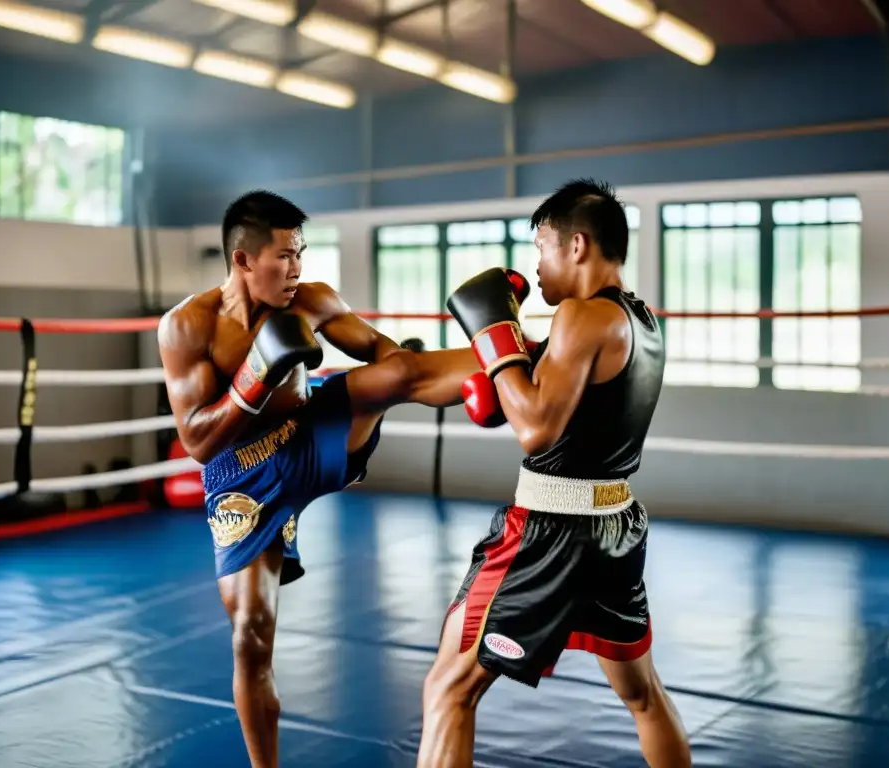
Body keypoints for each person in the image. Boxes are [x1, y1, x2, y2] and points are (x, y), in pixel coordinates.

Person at [157, 190, 482, 768]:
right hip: (242, 476)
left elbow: (380, 350)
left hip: (310, 434)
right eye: (284, 255)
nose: (297, 268)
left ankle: (529, 355)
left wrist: (392, 362)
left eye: (301, 252)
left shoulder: (310, 301)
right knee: (251, 636)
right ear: (242, 260)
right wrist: (254, 378)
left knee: (401, 373)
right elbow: (198, 442)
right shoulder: (188, 326)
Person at [417, 179, 692, 768]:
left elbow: (535, 427)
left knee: (447, 690)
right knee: (643, 695)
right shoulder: (642, 321)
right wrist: (516, 364)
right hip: (615, 529)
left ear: (576, 245)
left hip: (547, 533)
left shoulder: (581, 315)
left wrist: (495, 336)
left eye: (541, 246)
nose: (535, 266)